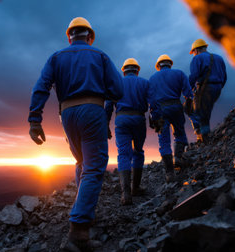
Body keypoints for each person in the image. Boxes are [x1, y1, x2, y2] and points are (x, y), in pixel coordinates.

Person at [28, 17, 123, 251]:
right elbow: (118, 90)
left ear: (69, 36)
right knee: (94, 165)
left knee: (81, 161)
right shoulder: (100, 56)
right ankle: (79, 232)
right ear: (90, 37)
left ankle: (84, 211)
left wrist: (34, 120)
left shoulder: (56, 57)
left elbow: (41, 87)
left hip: (67, 114)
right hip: (92, 110)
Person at [105, 58, 150, 205]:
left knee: (123, 154)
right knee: (138, 151)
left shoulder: (117, 82)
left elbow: (108, 105)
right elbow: (153, 103)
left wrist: (106, 124)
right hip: (138, 119)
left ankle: (126, 195)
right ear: (137, 70)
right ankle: (135, 188)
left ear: (123, 71)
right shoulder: (144, 83)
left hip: (122, 120)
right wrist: (156, 119)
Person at [149, 54, 193, 182]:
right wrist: (188, 105)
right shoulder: (179, 73)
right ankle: (178, 158)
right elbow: (188, 94)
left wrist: (152, 115)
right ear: (170, 64)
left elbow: (151, 99)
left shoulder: (152, 78)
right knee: (179, 133)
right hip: (176, 107)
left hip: (160, 110)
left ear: (158, 66)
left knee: (163, 140)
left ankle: (169, 173)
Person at [188, 39, 227, 143]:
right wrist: (218, 87)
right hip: (217, 88)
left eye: (193, 52)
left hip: (205, 88)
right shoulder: (219, 58)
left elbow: (193, 76)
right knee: (205, 112)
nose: (193, 54)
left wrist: (188, 90)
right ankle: (204, 134)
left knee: (196, 112)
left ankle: (204, 138)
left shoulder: (197, 58)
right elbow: (224, 76)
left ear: (196, 50)